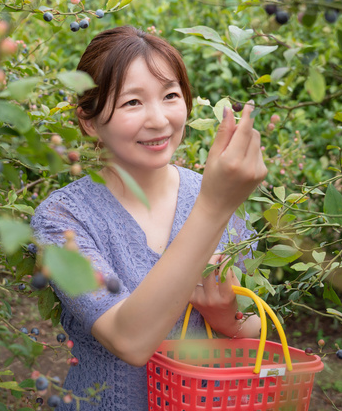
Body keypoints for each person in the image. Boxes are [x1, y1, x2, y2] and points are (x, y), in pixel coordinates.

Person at [30, 26, 268, 410]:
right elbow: (129, 340)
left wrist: (228, 318)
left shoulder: (215, 198)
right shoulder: (63, 219)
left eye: (171, 96)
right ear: (89, 122)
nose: (159, 120)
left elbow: (262, 335)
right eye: (132, 103)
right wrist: (214, 206)